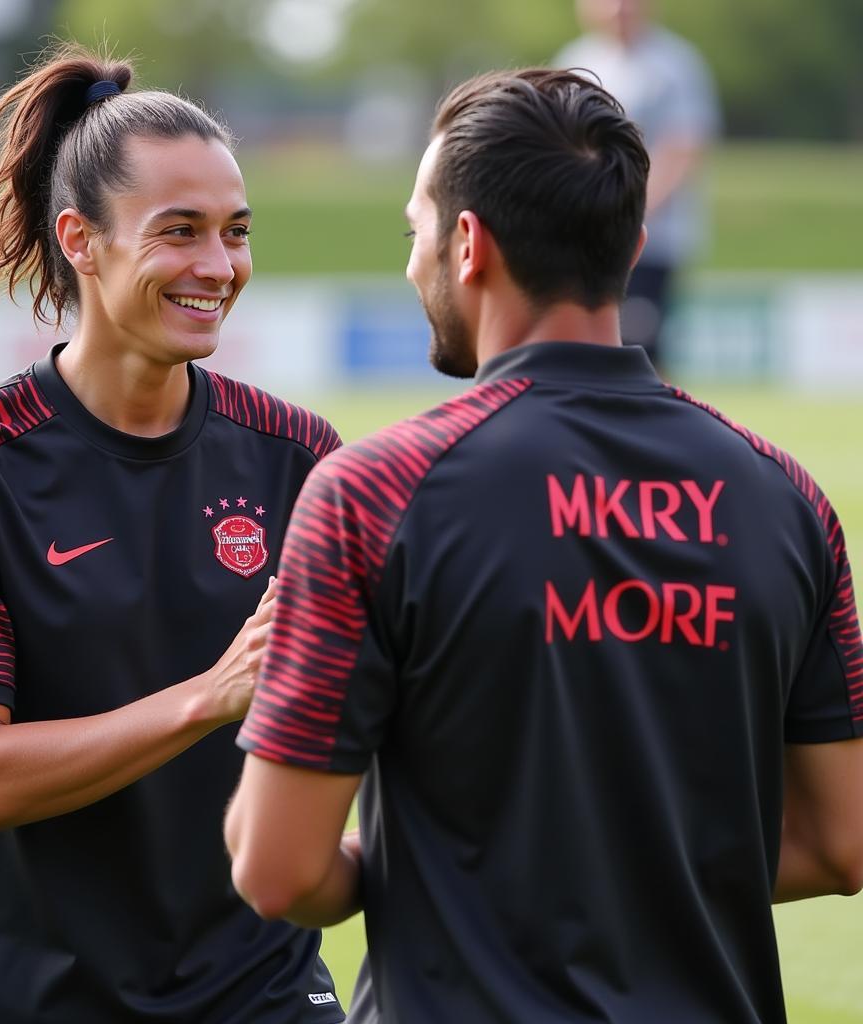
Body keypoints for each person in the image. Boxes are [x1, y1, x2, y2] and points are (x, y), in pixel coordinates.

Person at [224, 68, 863, 1023]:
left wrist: (468, 873)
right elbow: (840, 843)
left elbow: (276, 870)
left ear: (467, 244)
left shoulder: (373, 494)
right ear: (634, 245)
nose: (413, 262)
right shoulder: (789, 500)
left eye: (416, 231)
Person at [0, 43, 345, 1024]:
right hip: (40, 998)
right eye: (180, 232)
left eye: (235, 232)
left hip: (263, 991)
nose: (218, 267)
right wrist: (208, 699)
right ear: (80, 240)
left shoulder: (298, 454)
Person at [553, 0, 721, 367]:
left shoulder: (675, 65)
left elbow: (683, 147)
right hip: (586, 234)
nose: (617, 8)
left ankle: (647, 424)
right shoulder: (575, 61)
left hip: (650, 237)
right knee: (585, 347)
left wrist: (630, 212)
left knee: (639, 347)